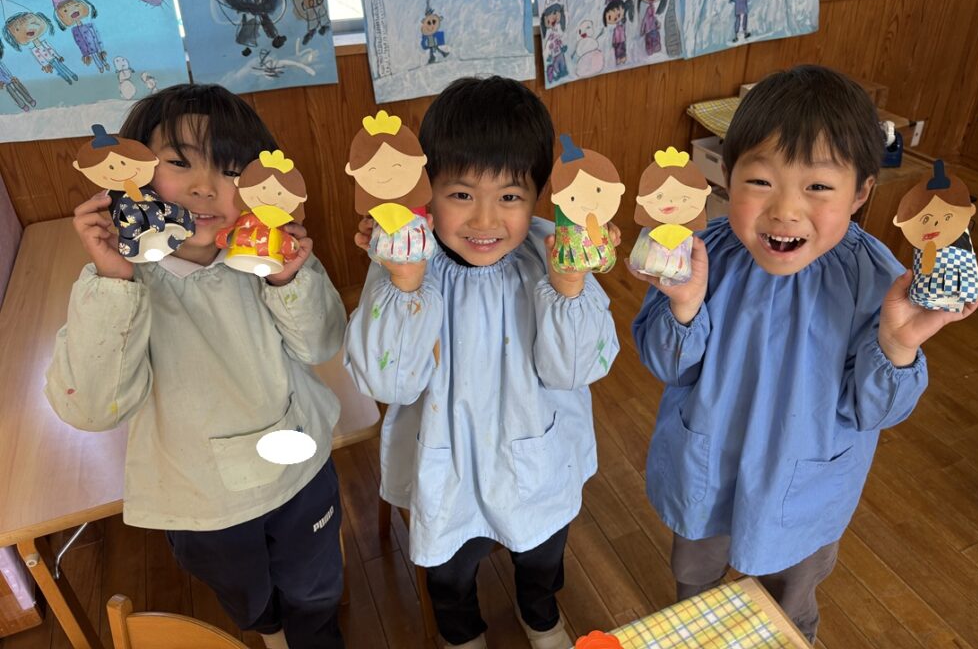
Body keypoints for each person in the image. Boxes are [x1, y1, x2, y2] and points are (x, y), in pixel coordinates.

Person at [632, 65, 978, 643]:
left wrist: (896, 345)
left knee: (789, 606)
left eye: (818, 187)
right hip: (707, 467)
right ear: (726, 177)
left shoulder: (880, 283)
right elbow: (666, 364)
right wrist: (685, 307)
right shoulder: (697, 257)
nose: (785, 211)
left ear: (861, 192)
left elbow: (875, 411)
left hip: (805, 487)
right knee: (694, 581)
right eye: (760, 181)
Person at [44, 84, 347, 649]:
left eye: (231, 170)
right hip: (201, 500)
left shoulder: (268, 255)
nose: (206, 186)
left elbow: (321, 344)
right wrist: (113, 279)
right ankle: (271, 630)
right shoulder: (122, 282)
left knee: (316, 590)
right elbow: (90, 409)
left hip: (300, 471)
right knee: (249, 600)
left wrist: (288, 278)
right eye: (180, 163)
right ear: (134, 171)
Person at [344, 76, 620, 649]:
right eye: (462, 195)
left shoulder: (553, 255)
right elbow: (387, 381)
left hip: (536, 451)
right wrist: (405, 284)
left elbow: (577, 370)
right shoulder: (404, 263)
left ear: (539, 196)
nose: (486, 221)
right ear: (426, 191)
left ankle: (541, 617)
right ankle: (461, 633)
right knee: (449, 570)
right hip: (446, 458)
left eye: (510, 197)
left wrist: (569, 287)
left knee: (542, 552)